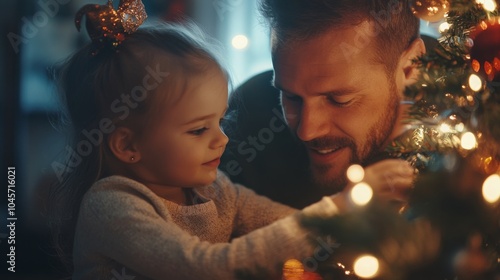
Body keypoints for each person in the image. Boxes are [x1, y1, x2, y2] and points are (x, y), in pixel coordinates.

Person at [49, 2, 415, 279]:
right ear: (128, 146)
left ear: (409, 70)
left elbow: (289, 226)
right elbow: (210, 267)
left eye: (339, 98)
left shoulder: (217, 191)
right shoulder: (112, 206)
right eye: (198, 129)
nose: (223, 140)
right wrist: (343, 205)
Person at [221, 0, 426, 209]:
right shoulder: (250, 112)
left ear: (411, 66)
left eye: (339, 100)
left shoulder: (455, 150)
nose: (307, 131)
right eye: (290, 97)